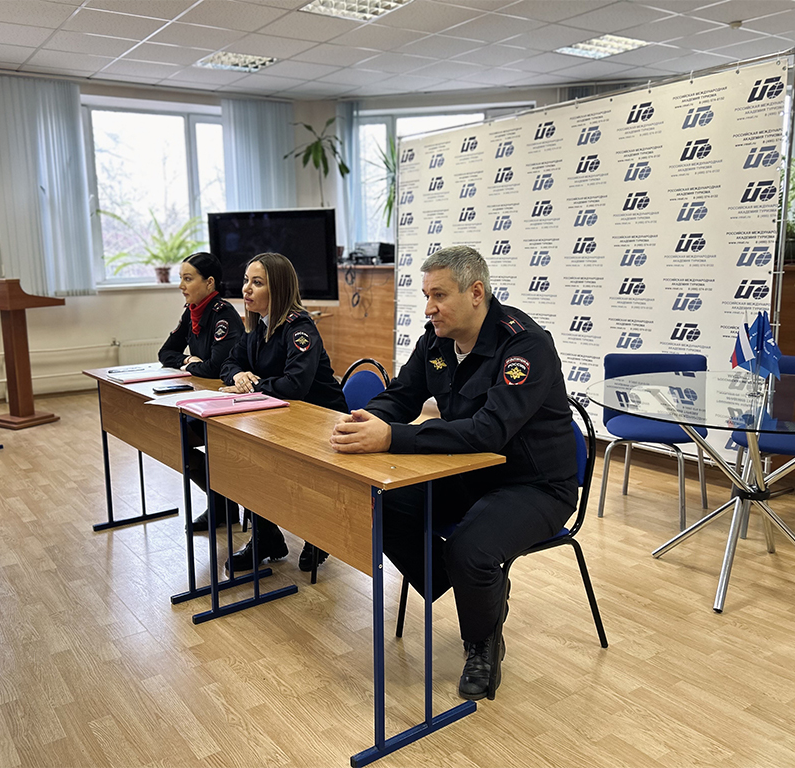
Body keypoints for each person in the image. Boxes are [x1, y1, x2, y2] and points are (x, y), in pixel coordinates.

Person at [330, 245, 578, 702]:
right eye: (426, 295)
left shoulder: (525, 345)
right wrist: (366, 420)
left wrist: (392, 437)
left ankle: (482, 641)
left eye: (439, 296)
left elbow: (489, 431)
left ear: (476, 293)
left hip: (536, 484)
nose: (429, 308)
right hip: (467, 473)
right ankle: (476, 588)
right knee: (378, 503)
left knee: (471, 549)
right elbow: (402, 395)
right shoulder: (436, 339)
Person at [221, 252, 347, 573]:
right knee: (243, 456)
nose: (246, 289)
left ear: (277, 289)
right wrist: (239, 375)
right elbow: (229, 362)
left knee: (268, 462)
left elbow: (295, 385)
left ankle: (319, 533)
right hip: (281, 418)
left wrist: (253, 385)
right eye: (246, 281)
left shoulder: (299, 327)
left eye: (257, 283)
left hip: (321, 422)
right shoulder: (257, 325)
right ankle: (267, 538)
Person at [158, 252, 246, 532]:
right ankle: (221, 504)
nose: (181, 286)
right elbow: (165, 353)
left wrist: (193, 365)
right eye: (181, 279)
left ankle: (224, 504)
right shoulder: (192, 311)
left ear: (209, 283)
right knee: (172, 438)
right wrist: (187, 359)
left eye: (188, 279)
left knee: (181, 437)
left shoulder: (223, 315)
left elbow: (215, 368)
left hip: (229, 403)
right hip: (203, 398)